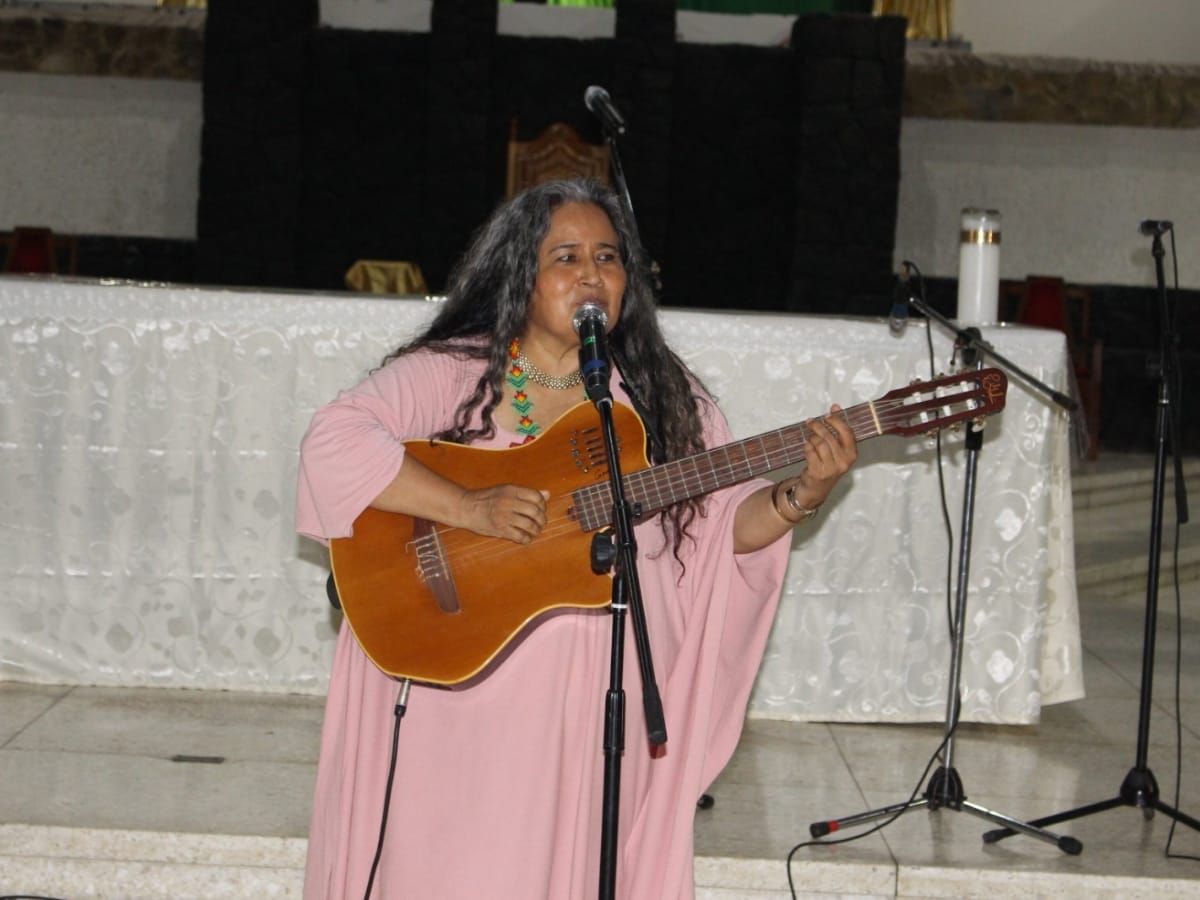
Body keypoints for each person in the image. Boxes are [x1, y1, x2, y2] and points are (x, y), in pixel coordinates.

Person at [295, 178, 857, 899]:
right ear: (520, 274)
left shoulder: (660, 394)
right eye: (567, 256)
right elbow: (334, 442)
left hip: (590, 707)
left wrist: (802, 491)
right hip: (458, 695)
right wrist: (469, 507)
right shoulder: (459, 371)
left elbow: (715, 527)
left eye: (610, 257)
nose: (593, 274)